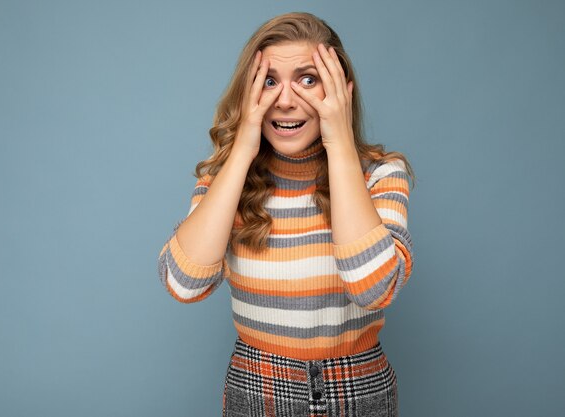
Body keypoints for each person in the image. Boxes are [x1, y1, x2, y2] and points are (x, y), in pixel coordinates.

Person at [157, 11, 415, 417]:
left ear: (341, 91)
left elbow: (373, 289)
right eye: (269, 81)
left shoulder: (380, 175)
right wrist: (241, 148)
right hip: (257, 387)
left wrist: (341, 143)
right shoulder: (225, 180)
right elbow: (183, 283)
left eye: (309, 80)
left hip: (359, 389)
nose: (286, 100)